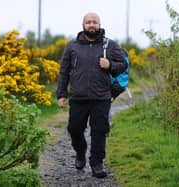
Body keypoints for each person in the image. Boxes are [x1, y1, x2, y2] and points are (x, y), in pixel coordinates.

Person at [56, 12, 126, 178]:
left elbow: (122, 64)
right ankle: (80, 151)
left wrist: (110, 65)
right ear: (83, 25)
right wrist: (61, 94)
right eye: (88, 22)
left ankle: (97, 163)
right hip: (78, 98)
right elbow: (63, 72)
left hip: (101, 97)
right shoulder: (71, 46)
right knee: (74, 129)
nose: (91, 25)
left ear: (99, 25)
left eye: (94, 22)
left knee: (99, 131)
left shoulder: (110, 45)